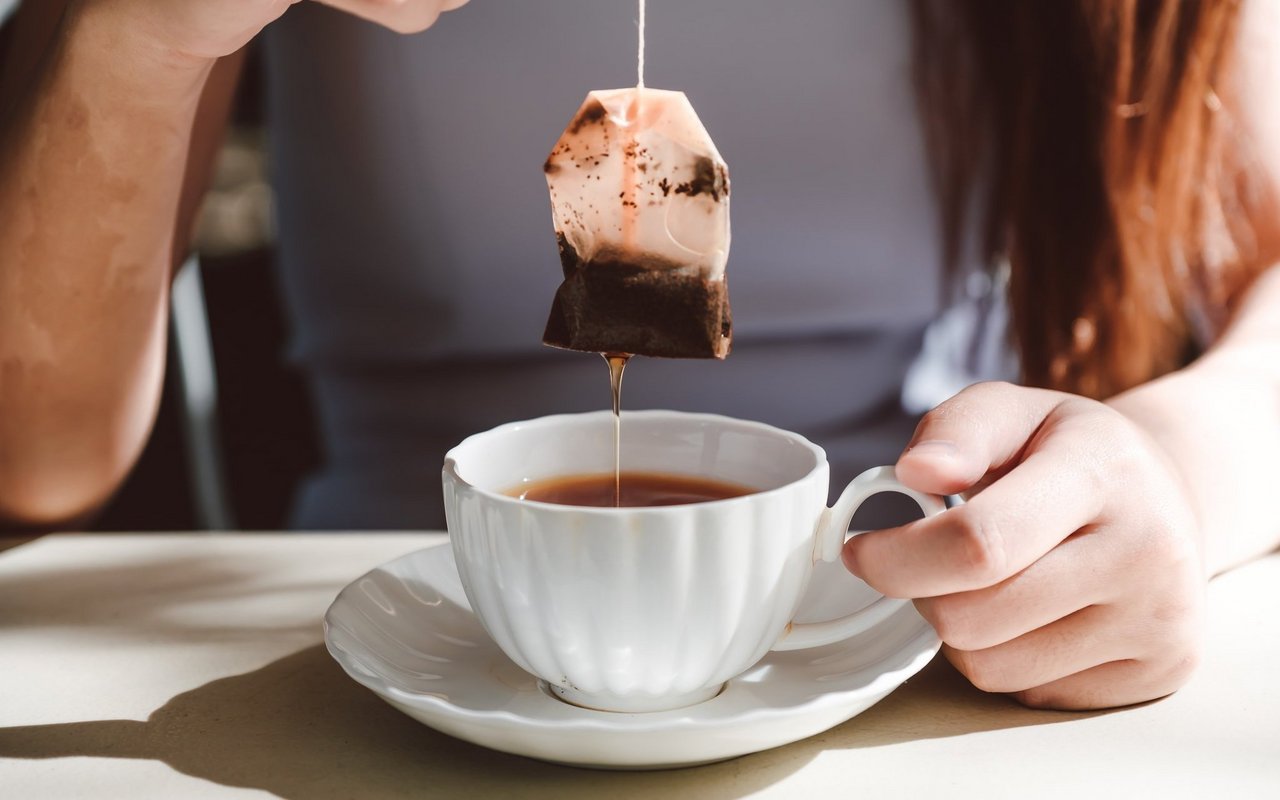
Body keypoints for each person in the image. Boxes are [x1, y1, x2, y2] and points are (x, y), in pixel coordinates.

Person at [1, 0, 1277, 713]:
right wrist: (131, 30)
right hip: (393, 656)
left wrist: (1171, 467)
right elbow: (27, 462)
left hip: (908, 636)